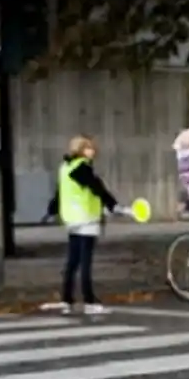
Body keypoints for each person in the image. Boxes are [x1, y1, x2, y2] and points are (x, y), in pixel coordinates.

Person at [41, 135, 124, 316]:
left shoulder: (65, 167)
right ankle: (89, 301)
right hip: (86, 220)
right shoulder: (82, 168)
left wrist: (51, 210)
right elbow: (97, 188)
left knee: (72, 262)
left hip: (72, 221)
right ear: (80, 149)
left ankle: (67, 299)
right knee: (85, 263)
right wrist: (114, 205)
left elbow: (60, 193)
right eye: (88, 148)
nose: (92, 151)